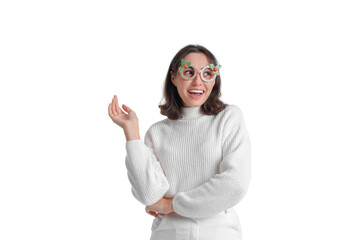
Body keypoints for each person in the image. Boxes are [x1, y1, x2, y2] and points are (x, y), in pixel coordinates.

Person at [108, 44, 251, 240]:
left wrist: (170, 205)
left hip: (219, 234)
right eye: (189, 72)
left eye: (207, 73)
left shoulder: (228, 118)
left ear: (214, 79)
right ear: (174, 77)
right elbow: (149, 195)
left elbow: (235, 184)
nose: (198, 82)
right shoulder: (157, 133)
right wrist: (132, 134)